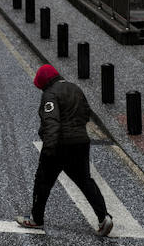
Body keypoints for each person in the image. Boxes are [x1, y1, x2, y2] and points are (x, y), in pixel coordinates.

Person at [17, 64, 114, 236]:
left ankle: (36, 219)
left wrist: (48, 148)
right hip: (81, 142)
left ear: (44, 82)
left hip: (59, 145)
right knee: (85, 181)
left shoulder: (50, 94)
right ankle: (104, 217)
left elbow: (51, 122)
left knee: (42, 182)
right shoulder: (75, 88)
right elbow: (86, 113)